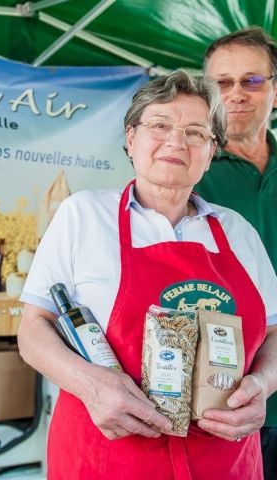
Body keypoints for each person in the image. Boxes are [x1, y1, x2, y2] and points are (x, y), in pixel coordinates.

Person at [18, 70, 277, 479]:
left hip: (223, 461)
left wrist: (261, 385)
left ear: (211, 153)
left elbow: (275, 334)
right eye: (160, 125)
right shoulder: (84, 215)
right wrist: (92, 387)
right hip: (109, 457)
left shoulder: (237, 232)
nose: (177, 141)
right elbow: (34, 330)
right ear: (131, 138)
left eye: (196, 132)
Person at [195, 27, 277, 479]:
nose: (236, 94)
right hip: (228, 396)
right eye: (222, 83)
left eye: (252, 80)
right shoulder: (190, 170)